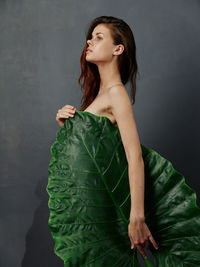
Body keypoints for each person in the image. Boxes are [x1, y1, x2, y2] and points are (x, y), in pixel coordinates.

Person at [47, 16, 200, 266]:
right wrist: (70, 130)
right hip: (105, 209)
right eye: (90, 36)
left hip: (123, 215)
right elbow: (98, 154)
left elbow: (134, 157)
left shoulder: (117, 93)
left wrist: (136, 217)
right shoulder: (100, 95)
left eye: (99, 37)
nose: (89, 41)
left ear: (118, 49)